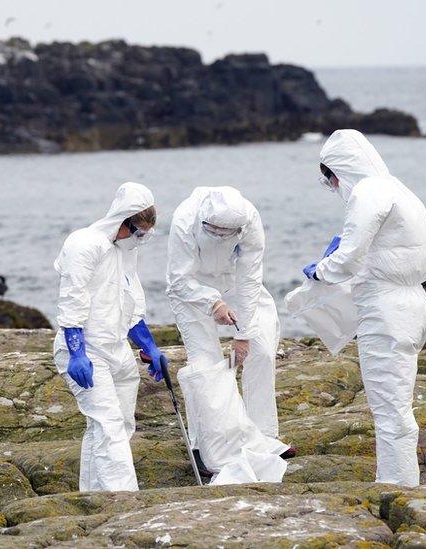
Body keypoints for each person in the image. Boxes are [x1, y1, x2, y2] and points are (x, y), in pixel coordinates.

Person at [304, 129, 426, 487]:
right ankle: (399, 479)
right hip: (414, 302)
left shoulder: (367, 191)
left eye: (330, 179)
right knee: (398, 404)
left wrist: (320, 270)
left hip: (387, 310)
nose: (332, 187)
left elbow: (348, 258)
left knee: (389, 408)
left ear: (339, 170)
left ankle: (397, 487)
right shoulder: (397, 187)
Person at [165, 186, 290, 484]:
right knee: (205, 368)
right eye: (215, 232)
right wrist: (213, 303)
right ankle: (206, 447)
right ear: (204, 222)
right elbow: (179, 279)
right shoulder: (185, 219)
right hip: (191, 290)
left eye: (228, 233)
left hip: (233, 283)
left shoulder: (250, 220)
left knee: (259, 350)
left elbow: (249, 277)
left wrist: (243, 333)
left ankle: (262, 436)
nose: (222, 237)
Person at [53, 182, 166, 492]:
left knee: (116, 426)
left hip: (117, 350)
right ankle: (124, 499)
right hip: (86, 351)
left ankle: (92, 495)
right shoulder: (85, 244)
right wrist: (77, 352)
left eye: (145, 234)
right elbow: (72, 300)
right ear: (122, 220)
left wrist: (150, 347)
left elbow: (131, 305)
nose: (140, 240)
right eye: (138, 232)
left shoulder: (126, 252)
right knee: (109, 426)